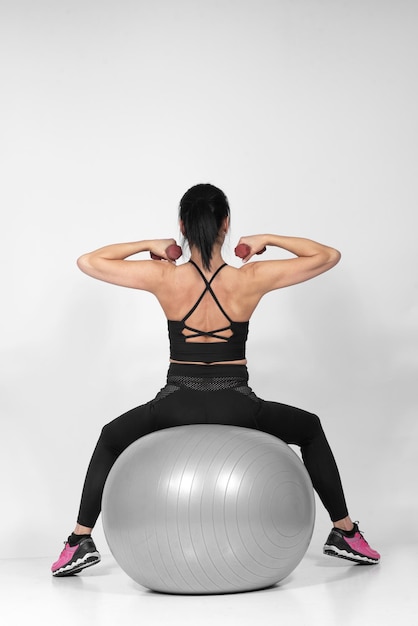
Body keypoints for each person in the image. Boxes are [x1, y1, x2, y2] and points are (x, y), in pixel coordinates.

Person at [51, 183, 380, 577]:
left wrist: (150, 245)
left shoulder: (163, 277)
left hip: (176, 402)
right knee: (309, 429)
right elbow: (328, 256)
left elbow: (89, 261)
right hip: (236, 403)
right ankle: (344, 532)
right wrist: (266, 240)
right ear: (226, 224)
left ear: (182, 226)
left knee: (110, 436)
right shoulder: (251, 278)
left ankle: (78, 540)